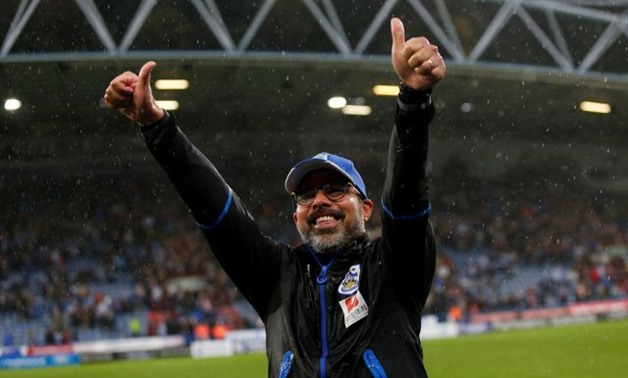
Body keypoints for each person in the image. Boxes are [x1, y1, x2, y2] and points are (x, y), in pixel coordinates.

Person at [104, 16, 445, 378]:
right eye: (306, 194)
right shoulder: (276, 276)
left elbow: (406, 196)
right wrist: (157, 128)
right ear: (295, 216)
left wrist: (412, 100)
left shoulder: (394, 267)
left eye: (334, 189)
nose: (319, 201)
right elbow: (217, 212)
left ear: (364, 207)